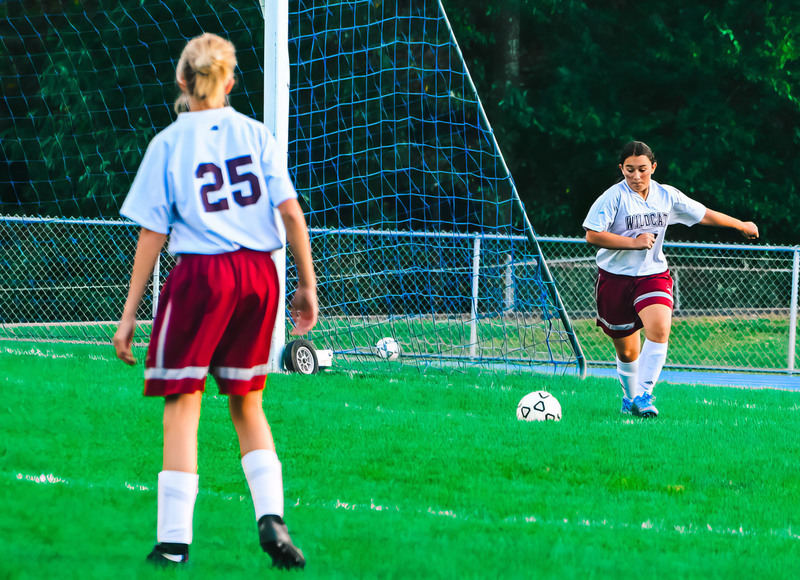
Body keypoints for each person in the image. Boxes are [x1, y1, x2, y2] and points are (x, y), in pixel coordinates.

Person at [112, 33, 317, 569]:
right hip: (258, 275)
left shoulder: (168, 144)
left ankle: (174, 542)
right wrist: (307, 283)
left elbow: (152, 235)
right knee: (248, 403)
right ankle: (271, 517)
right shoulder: (258, 135)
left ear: (182, 80)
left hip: (203, 274)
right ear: (229, 81)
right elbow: (291, 214)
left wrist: (130, 314)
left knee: (183, 404)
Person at [582, 140, 758, 418]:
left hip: (652, 275)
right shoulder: (612, 197)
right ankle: (630, 399)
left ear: (653, 166)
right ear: (621, 168)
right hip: (615, 279)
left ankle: (644, 394)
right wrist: (634, 243)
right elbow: (592, 234)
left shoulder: (667, 196)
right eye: (629, 170)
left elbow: (703, 215)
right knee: (628, 353)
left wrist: (740, 225)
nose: (636, 176)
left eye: (642, 169)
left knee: (660, 329)